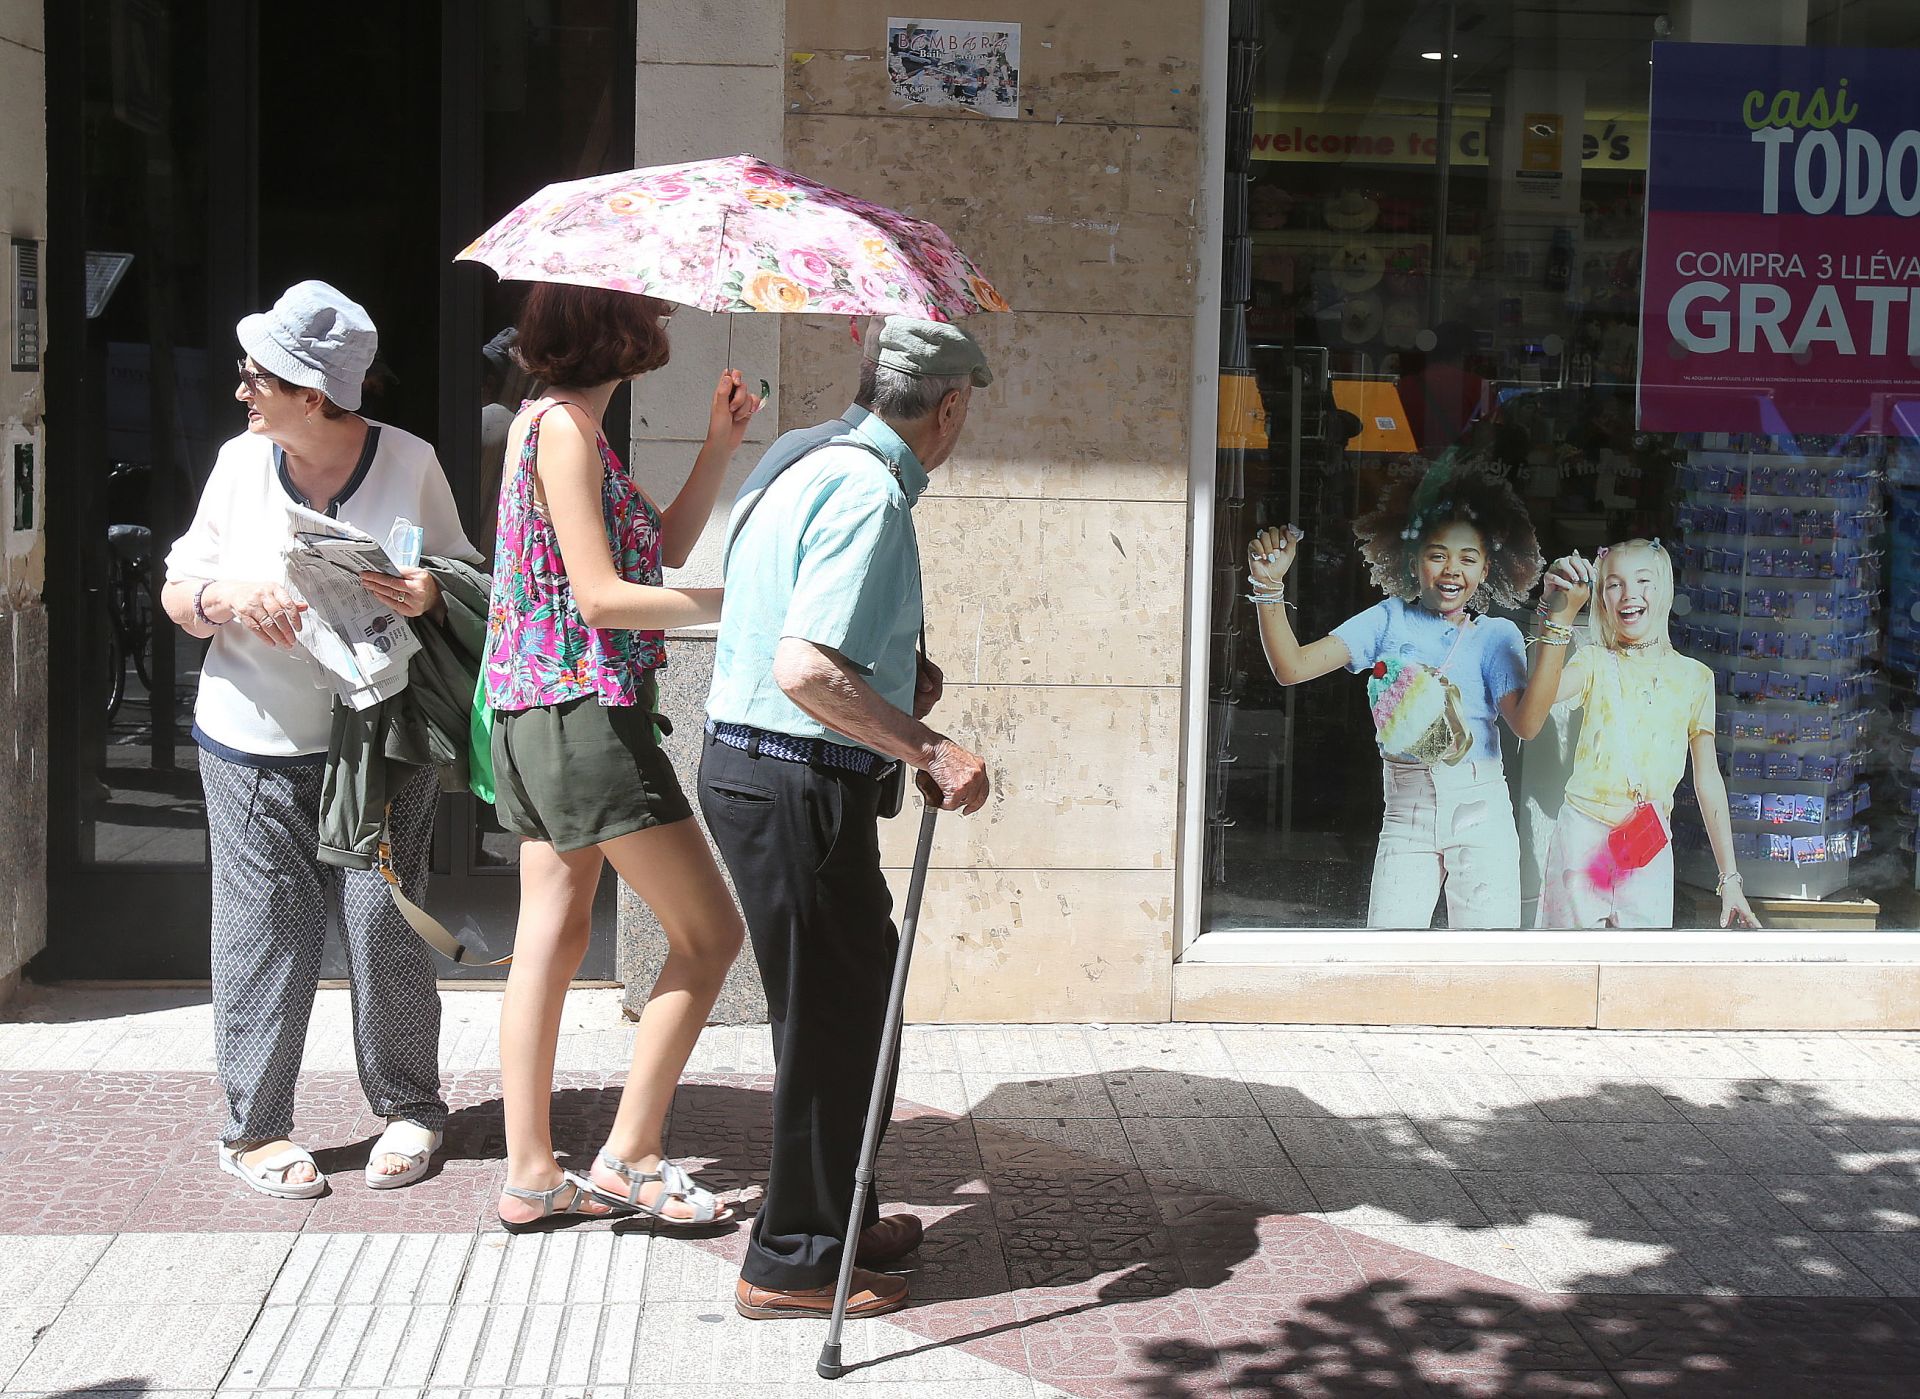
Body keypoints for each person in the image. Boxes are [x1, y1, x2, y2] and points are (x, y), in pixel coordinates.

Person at [701, 317, 993, 1320]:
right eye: (965, 413)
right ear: (948, 407)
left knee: (852, 1006)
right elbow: (806, 667)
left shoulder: (800, 455)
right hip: (792, 776)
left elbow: (795, 623)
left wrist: (895, 680)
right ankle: (790, 1262)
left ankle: (838, 1215)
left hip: (760, 770)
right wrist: (928, 746)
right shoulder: (869, 492)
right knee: (832, 1023)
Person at [162, 280, 477, 1198]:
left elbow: (459, 570)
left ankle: (411, 1106)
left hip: (380, 738)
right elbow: (183, 586)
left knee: (384, 924)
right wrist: (224, 601)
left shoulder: (409, 459)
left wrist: (421, 590)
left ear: (312, 394)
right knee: (266, 930)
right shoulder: (237, 463)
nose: (241, 389)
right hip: (248, 736)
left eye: (257, 375)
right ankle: (254, 1129)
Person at [483, 282, 760, 1232]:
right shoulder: (563, 431)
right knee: (711, 935)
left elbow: (661, 548)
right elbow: (602, 598)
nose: (669, 319)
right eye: (653, 310)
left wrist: (720, 445)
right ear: (614, 331)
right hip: (584, 716)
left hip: (536, 714)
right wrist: (747, 605)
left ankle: (532, 1174)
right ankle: (631, 1151)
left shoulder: (555, 426)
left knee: (550, 943)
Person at [1246, 464, 1560, 928]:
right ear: (1413, 561)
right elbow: (1291, 668)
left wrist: (1556, 624)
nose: (1453, 569)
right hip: (1406, 811)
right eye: (1438, 555)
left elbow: (1528, 725)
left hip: (1482, 810)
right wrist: (1268, 586)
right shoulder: (1386, 619)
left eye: (1468, 558)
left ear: (1487, 568)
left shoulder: (1497, 635)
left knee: (1485, 961)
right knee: (1389, 951)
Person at [1532, 540, 1760, 930]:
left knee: (1640, 971)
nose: (1629, 594)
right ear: (1601, 599)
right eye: (1614, 584)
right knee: (1567, 963)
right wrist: (1552, 612)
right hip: (1584, 833)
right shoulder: (1593, 661)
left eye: (1644, 581)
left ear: (1666, 590)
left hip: (1647, 841)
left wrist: (1730, 879)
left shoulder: (1695, 678)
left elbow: (1707, 780)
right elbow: (1542, 693)